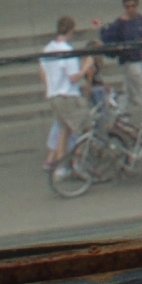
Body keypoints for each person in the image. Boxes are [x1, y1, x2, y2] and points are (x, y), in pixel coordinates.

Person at [40, 16, 86, 170]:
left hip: (54, 95)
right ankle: (77, 163)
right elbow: (73, 77)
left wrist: (50, 87)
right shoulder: (67, 50)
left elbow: (42, 72)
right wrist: (86, 67)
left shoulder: (48, 49)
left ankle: (60, 167)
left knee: (63, 130)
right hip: (68, 95)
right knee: (83, 128)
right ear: (71, 31)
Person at [101, 0, 142, 123]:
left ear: (137, 5)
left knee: (128, 89)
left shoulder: (140, 19)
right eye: (127, 7)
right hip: (129, 60)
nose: (130, 9)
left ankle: (121, 114)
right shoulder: (120, 23)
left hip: (138, 59)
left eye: (133, 6)